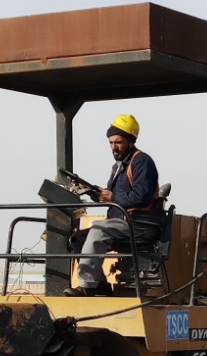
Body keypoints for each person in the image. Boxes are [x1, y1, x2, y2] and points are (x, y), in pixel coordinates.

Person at [66, 114, 162, 296]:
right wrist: (91, 191)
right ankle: (100, 286)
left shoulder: (142, 162)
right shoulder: (117, 166)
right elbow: (111, 197)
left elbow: (142, 196)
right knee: (78, 239)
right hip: (119, 222)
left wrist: (113, 197)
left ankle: (87, 285)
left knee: (97, 230)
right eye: (110, 142)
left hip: (138, 224)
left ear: (131, 141)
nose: (113, 147)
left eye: (118, 142)